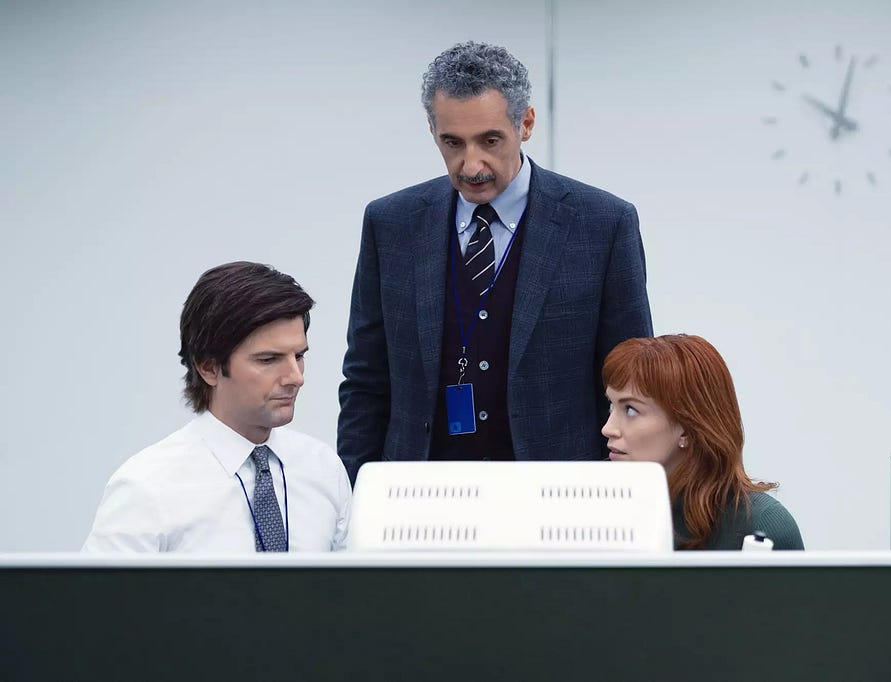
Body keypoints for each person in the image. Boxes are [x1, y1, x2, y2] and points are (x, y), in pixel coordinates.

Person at [337, 41, 653, 483]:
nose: (471, 164)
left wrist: (626, 498)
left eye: (489, 141)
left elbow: (633, 382)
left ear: (525, 123)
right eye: (452, 142)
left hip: (561, 499)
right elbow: (365, 382)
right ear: (431, 128)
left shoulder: (603, 223)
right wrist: (353, 498)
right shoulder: (391, 224)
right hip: (416, 499)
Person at [83, 261, 351, 552]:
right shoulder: (146, 488)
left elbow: (353, 593)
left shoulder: (325, 469)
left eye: (298, 356)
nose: (296, 377)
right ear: (208, 367)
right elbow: (98, 599)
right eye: (268, 360)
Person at [601, 334, 803, 550]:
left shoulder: (764, 524)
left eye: (630, 409)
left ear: (688, 428)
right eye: (611, 406)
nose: (607, 429)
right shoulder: (599, 513)